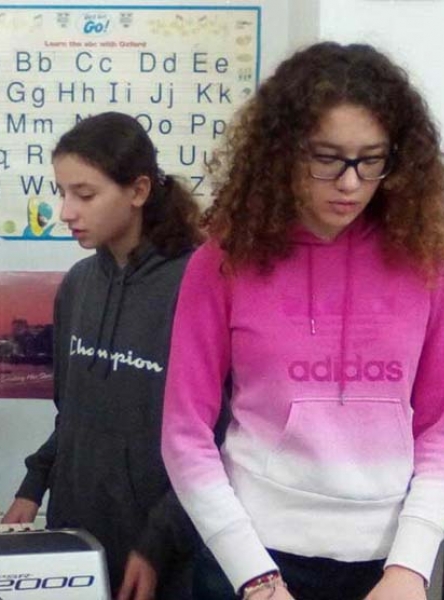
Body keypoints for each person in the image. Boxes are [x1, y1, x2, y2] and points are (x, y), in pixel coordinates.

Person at [161, 42, 444, 600]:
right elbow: (184, 435)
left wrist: (411, 565)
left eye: (371, 159)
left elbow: (439, 424)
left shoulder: (426, 262)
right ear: (283, 152)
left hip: (390, 564)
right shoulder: (223, 262)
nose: (350, 182)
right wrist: (255, 576)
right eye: (327, 157)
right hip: (252, 558)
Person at [2, 112, 204, 600]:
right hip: (77, 533)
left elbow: (213, 438)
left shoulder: (197, 286)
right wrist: (33, 485)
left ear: (138, 191)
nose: (66, 211)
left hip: (163, 547)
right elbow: (72, 412)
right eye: (62, 192)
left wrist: (157, 542)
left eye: (85, 195)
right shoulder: (78, 286)